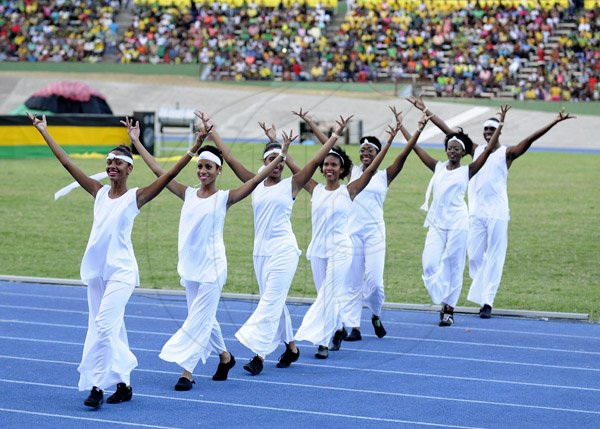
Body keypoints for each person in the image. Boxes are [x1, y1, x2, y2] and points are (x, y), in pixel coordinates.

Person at [28, 113, 207, 409]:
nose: (112, 166)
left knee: (103, 325)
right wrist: (44, 132)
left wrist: (195, 146)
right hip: (98, 275)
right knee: (111, 328)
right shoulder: (98, 193)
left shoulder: (135, 197)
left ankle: (97, 387)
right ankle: (124, 384)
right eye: (109, 162)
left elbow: (167, 176)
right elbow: (67, 163)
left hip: (122, 273)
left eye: (118, 163)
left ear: (129, 169)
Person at [126, 113, 290, 391]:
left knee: (198, 319)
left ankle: (186, 372)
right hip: (189, 267)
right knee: (206, 317)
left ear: (218, 171)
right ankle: (225, 358)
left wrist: (281, 152)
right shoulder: (187, 193)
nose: (203, 171)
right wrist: (136, 142)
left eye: (209, 167)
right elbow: (158, 171)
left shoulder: (224, 198)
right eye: (200, 166)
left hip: (213, 269)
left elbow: (257, 179)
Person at [208, 112, 351, 376]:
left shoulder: (293, 184)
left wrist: (333, 136)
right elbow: (228, 158)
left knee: (270, 302)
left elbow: (317, 159)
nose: (276, 165)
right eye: (270, 160)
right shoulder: (254, 183)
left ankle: (259, 355)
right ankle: (291, 348)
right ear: (263, 163)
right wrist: (211, 131)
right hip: (260, 253)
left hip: (284, 251)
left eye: (280, 161)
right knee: (273, 301)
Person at [407, 97, 574, 318]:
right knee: (475, 258)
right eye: (485, 129)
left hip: (497, 214)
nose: (487, 132)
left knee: (495, 257)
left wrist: (553, 122)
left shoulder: (507, 153)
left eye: (491, 129)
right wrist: (426, 110)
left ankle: (487, 301)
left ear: (499, 131)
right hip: (474, 214)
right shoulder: (475, 150)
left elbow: (529, 140)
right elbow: (448, 131)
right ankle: (480, 291)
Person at [299, 107, 429, 342]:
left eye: (370, 150)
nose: (365, 153)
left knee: (375, 283)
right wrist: (310, 122)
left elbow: (404, 154)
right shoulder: (351, 173)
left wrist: (415, 130)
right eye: (362, 150)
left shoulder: (384, 175)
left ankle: (376, 313)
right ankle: (353, 326)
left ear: (377, 153)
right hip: (351, 235)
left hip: (375, 235)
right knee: (351, 283)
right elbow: (329, 149)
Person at [409, 105, 510, 327]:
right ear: (446, 149)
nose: (452, 151)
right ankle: (441, 295)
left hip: (458, 223)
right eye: (449, 147)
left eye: (457, 148)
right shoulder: (437, 168)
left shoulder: (469, 170)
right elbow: (415, 148)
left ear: (463, 153)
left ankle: (448, 309)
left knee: (455, 267)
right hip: (436, 223)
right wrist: (407, 129)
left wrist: (500, 126)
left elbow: (486, 152)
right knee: (429, 265)